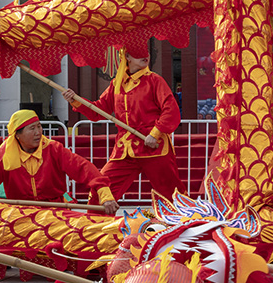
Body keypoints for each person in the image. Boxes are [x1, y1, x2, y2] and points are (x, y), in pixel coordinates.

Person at [62, 42, 183, 201]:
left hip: (153, 146)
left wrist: (155, 133)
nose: (144, 56)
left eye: (145, 52)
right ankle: (97, 224)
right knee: (102, 191)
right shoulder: (116, 84)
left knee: (171, 194)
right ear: (126, 56)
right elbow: (98, 110)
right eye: (137, 53)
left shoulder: (155, 81)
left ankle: (184, 224)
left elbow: (171, 110)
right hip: (124, 149)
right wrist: (76, 101)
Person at [0, 109, 119, 214]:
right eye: (32, 128)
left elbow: (83, 168)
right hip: (21, 212)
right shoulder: (3, 155)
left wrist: (104, 194)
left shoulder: (54, 149)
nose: (38, 132)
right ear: (17, 135)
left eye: (39, 127)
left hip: (56, 210)